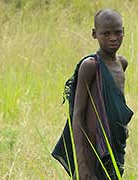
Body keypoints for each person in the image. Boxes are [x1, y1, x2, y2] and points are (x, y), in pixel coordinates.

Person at [52, 8, 133, 180]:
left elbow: (117, 103)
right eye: (106, 33)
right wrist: (82, 164)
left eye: (118, 32)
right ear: (94, 34)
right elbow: (78, 115)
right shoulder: (90, 66)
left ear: (124, 32)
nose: (113, 38)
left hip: (114, 142)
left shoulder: (122, 63)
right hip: (92, 145)